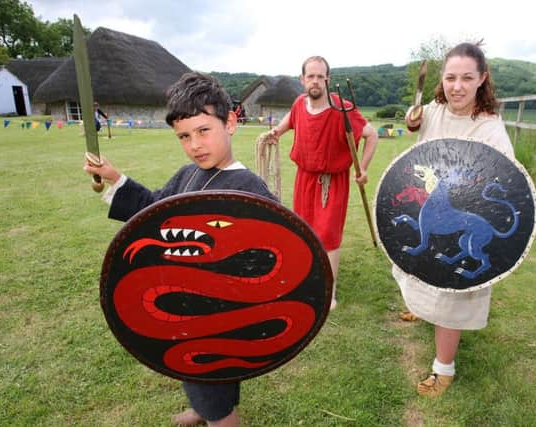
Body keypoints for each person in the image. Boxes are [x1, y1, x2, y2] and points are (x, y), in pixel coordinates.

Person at [84, 72, 278, 426]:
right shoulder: (187, 175)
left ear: (230, 122)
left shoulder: (249, 189)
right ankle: (201, 409)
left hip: (221, 314)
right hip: (185, 303)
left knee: (213, 379)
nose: (195, 145)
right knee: (194, 371)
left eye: (204, 131)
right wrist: (116, 178)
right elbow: (152, 209)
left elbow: (276, 252)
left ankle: (217, 416)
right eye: (184, 137)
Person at [397, 41, 515, 397]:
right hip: (433, 206)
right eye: (450, 77)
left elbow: (503, 177)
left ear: (482, 78)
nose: (457, 86)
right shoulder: (434, 109)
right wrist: (411, 120)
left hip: (466, 214)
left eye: (466, 77)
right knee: (419, 266)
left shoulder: (490, 128)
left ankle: (443, 369)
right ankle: (421, 307)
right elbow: (416, 129)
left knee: (452, 292)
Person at [264, 56, 379, 310]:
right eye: (310, 76)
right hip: (304, 178)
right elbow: (290, 121)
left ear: (327, 79)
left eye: (320, 76)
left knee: (327, 234)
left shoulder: (343, 109)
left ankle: (329, 290)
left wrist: (364, 168)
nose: (315, 81)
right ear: (302, 79)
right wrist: (276, 133)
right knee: (303, 230)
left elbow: (372, 136)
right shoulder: (298, 103)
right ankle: (307, 277)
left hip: (332, 181)